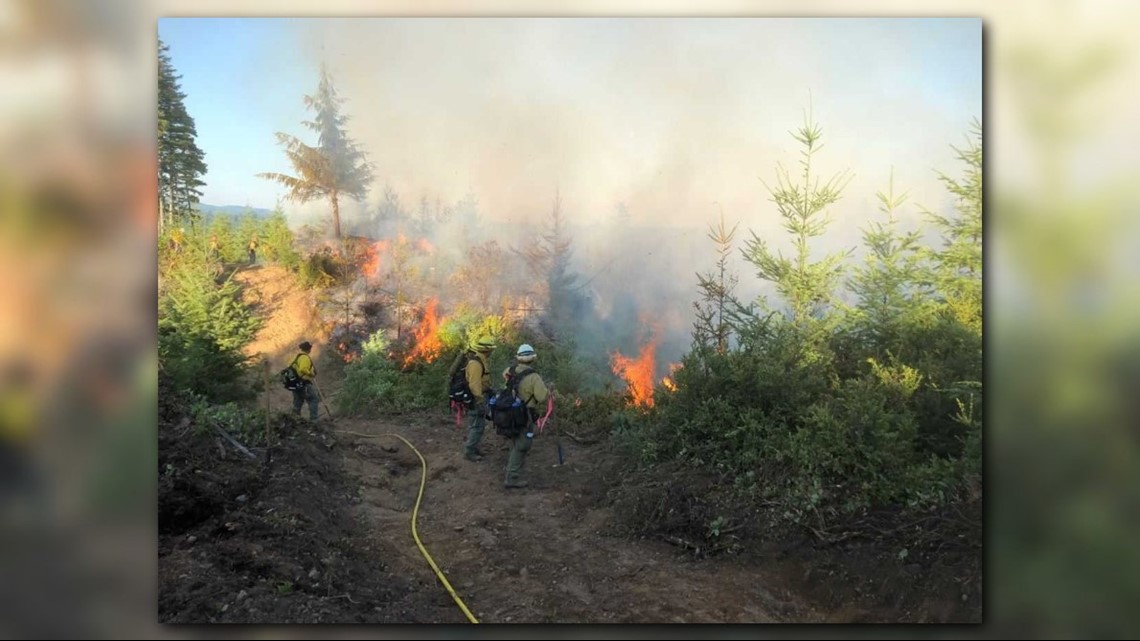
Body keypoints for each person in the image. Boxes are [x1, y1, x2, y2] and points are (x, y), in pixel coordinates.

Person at [500, 343, 548, 489]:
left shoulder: (510, 370)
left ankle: (511, 468)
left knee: (515, 440)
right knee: (523, 445)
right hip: (524, 415)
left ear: (519, 358)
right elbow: (542, 397)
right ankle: (512, 477)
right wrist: (548, 391)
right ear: (532, 359)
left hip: (510, 413)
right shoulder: (534, 377)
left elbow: (504, 376)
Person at [462, 336, 496, 462]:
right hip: (476, 399)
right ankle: (469, 451)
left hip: (481, 396)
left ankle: (473, 447)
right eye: (491, 350)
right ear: (486, 350)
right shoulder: (476, 364)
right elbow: (474, 385)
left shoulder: (481, 361)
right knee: (477, 426)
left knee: (477, 425)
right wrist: (480, 401)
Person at [290, 341, 319, 421]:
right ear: (308, 349)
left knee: (298, 402)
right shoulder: (305, 357)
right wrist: (311, 374)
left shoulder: (298, 357)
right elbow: (303, 369)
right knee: (313, 399)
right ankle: (314, 420)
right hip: (304, 383)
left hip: (296, 384)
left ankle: (295, 420)